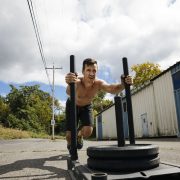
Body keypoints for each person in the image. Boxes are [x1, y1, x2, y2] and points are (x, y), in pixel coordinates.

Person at [65, 58, 133, 153]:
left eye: (94, 70)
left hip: (86, 106)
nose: (91, 73)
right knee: (69, 136)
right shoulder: (77, 82)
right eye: (88, 70)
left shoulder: (98, 83)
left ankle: (79, 135)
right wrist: (70, 83)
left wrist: (123, 84)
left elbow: (112, 89)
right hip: (72, 105)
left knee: (88, 131)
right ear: (83, 71)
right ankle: (70, 142)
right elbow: (68, 92)